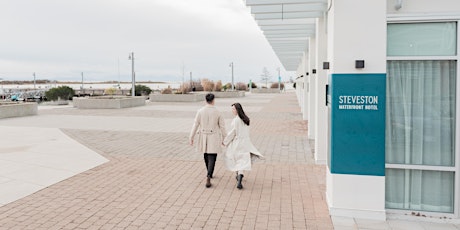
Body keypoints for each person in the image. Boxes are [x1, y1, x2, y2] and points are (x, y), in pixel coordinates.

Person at [189, 93, 226, 188]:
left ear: (206, 100)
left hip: (203, 136)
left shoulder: (200, 111)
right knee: (212, 156)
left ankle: (209, 173)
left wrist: (191, 137)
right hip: (214, 136)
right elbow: (222, 127)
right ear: (213, 100)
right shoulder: (218, 112)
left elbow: (195, 124)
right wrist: (224, 138)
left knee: (205, 154)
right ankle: (209, 174)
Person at [223, 103, 264, 189]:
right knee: (242, 161)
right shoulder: (246, 119)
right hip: (246, 143)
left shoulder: (236, 120)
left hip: (237, 142)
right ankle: (240, 177)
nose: (232, 111)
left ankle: (238, 176)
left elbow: (232, 133)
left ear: (237, 110)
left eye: (233, 109)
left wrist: (225, 141)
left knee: (237, 159)